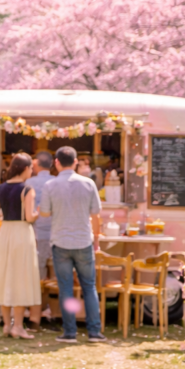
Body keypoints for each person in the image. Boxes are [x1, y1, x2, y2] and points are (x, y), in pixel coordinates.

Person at [39, 146, 107, 343]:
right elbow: (96, 215)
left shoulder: (50, 185)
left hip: (60, 241)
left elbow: (44, 213)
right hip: (83, 240)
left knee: (66, 288)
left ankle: (70, 332)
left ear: (57, 163)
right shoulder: (88, 184)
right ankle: (94, 331)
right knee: (89, 287)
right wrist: (97, 239)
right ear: (76, 162)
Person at [0, 153, 41, 339]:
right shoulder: (27, 190)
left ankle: (6, 324)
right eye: (31, 169)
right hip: (21, 233)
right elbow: (29, 217)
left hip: (6, 233)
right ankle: (18, 326)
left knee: (6, 276)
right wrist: (38, 213)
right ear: (25, 169)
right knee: (21, 278)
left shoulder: (0, 189)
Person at [25, 150, 55, 327]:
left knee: (38, 276)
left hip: (36, 233)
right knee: (54, 277)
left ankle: (37, 313)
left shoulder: (29, 182)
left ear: (36, 164)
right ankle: (50, 310)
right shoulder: (56, 182)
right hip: (56, 233)